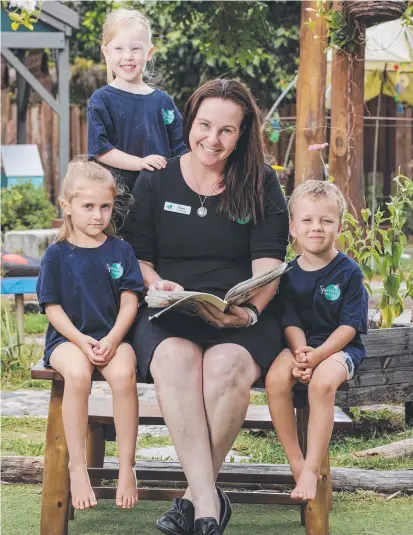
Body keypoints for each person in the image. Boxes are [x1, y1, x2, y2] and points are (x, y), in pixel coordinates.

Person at [121, 79, 289, 535]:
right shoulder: (155, 179)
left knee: (226, 365)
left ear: (243, 134)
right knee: (176, 358)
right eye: (204, 125)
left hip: (242, 313)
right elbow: (138, 256)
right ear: (190, 121)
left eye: (227, 131)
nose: (212, 140)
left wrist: (248, 311)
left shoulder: (261, 182)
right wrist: (159, 285)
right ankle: (209, 509)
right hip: (168, 310)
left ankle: (194, 500)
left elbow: (270, 265)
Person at [36, 157, 144, 511]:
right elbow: (52, 308)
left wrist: (113, 339)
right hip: (68, 340)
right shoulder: (56, 255)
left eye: (105, 206)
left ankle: (127, 465)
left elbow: (130, 301)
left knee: (125, 374)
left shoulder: (121, 250)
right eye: (88, 207)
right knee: (78, 374)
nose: (97, 215)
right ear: (67, 207)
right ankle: (77, 466)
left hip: (112, 336)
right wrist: (81, 342)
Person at [265, 180, 368, 501]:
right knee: (275, 378)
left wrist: (318, 356)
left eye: (326, 221)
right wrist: (300, 353)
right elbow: (290, 320)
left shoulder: (349, 272)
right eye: (307, 221)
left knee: (321, 384)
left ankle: (312, 469)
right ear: (293, 227)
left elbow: (350, 327)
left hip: (339, 349)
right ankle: (296, 461)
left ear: (339, 226)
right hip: (300, 346)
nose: (317, 228)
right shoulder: (288, 273)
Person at [87, 8, 187, 196]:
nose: (128, 56)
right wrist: (140, 163)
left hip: (160, 198)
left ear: (149, 52)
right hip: (118, 201)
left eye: (135, 48)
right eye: (118, 49)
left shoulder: (163, 102)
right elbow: (101, 150)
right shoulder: (101, 100)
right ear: (105, 52)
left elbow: (181, 150)